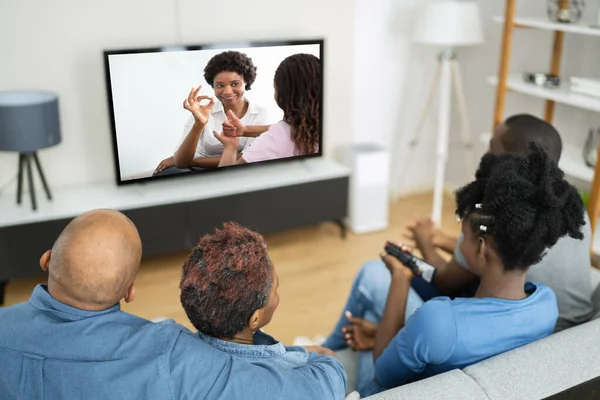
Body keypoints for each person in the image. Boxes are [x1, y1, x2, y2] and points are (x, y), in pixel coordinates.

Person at [0, 209, 347, 400]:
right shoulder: (168, 355)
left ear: (46, 259)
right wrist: (323, 361)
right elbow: (310, 392)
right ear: (130, 291)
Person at [325, 145, 585, 396]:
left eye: (462, 236)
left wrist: (401, 279)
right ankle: (345, 343)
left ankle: (322, 357)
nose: (458, 242)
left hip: (383, 389)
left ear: (482, 248)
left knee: (370, 277)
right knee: (371, 316)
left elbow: (382, 375)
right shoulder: (547, 305)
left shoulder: (439, 320)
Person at [402, 114, 594, 332]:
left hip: (539, 333)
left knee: (404, 272)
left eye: (491, 147)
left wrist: (424, 240)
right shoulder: (567, 205)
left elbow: (445, 282)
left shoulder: (499, 211)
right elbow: (493, 248)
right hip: (577, 327)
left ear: (508, 157)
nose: (485, 155)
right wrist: (441, 239)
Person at [180, 222, 338, 370]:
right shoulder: (293, 382)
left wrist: (295, 352)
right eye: (276, 289)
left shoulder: (172, 343)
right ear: (255, 319)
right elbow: (332, 375)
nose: (277, 295)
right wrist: (329, 363)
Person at [154, 50, 275, 175]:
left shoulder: (261, 113)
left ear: (246, 82)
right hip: (195, 171)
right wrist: (199, 123)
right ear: (213, 86)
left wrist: (194, 161)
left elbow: (247, 158)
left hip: (233, 170)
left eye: (234, 84)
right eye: (220, 85)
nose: (227, 91)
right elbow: (181, 162)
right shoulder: (203, 112)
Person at [214, 53, 320, 166]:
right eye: (220, 85)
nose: (228, 91)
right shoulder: (324, 124)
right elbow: (293, 128)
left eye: (275, 88)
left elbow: (230, 181)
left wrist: (230, 147)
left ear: (283, 94)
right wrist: (245, 130)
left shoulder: (273, 140)